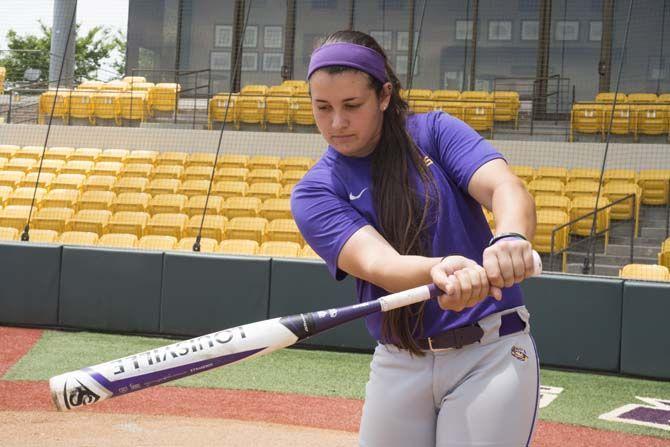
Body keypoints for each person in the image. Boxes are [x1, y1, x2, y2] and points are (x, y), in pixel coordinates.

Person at [290, 30, 538, 447]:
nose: (337, 123)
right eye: (323, 108)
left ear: (384, 96)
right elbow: (381, 266)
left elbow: (505, 189)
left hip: (490, 353)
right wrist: (441, 270)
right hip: (398, 362)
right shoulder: (315, 191)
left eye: (352, 105)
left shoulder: (435, 132)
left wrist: (510, 237)